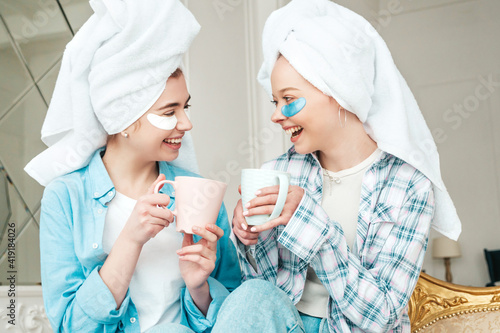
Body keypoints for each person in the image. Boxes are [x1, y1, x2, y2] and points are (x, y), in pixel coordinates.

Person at [231, 0, 462, 332]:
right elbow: (257, 293)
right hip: (286, 323)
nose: (276, 115)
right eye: (274, 101)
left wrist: (309, 223)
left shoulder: (408, 185)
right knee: (251, 296)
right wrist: (248, 238)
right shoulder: (279, 171)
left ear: (338, 91)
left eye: (289, 99)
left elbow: (382, 315)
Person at [25, 1, 242, 332]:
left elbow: (237, 315)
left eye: (186, 107)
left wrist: (200, 288)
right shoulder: (65, 198)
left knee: (259, 294)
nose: (186, 123)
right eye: (170, 112)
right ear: (123, 118)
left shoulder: (200, 193)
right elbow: (70, 326)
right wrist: (129, 240)